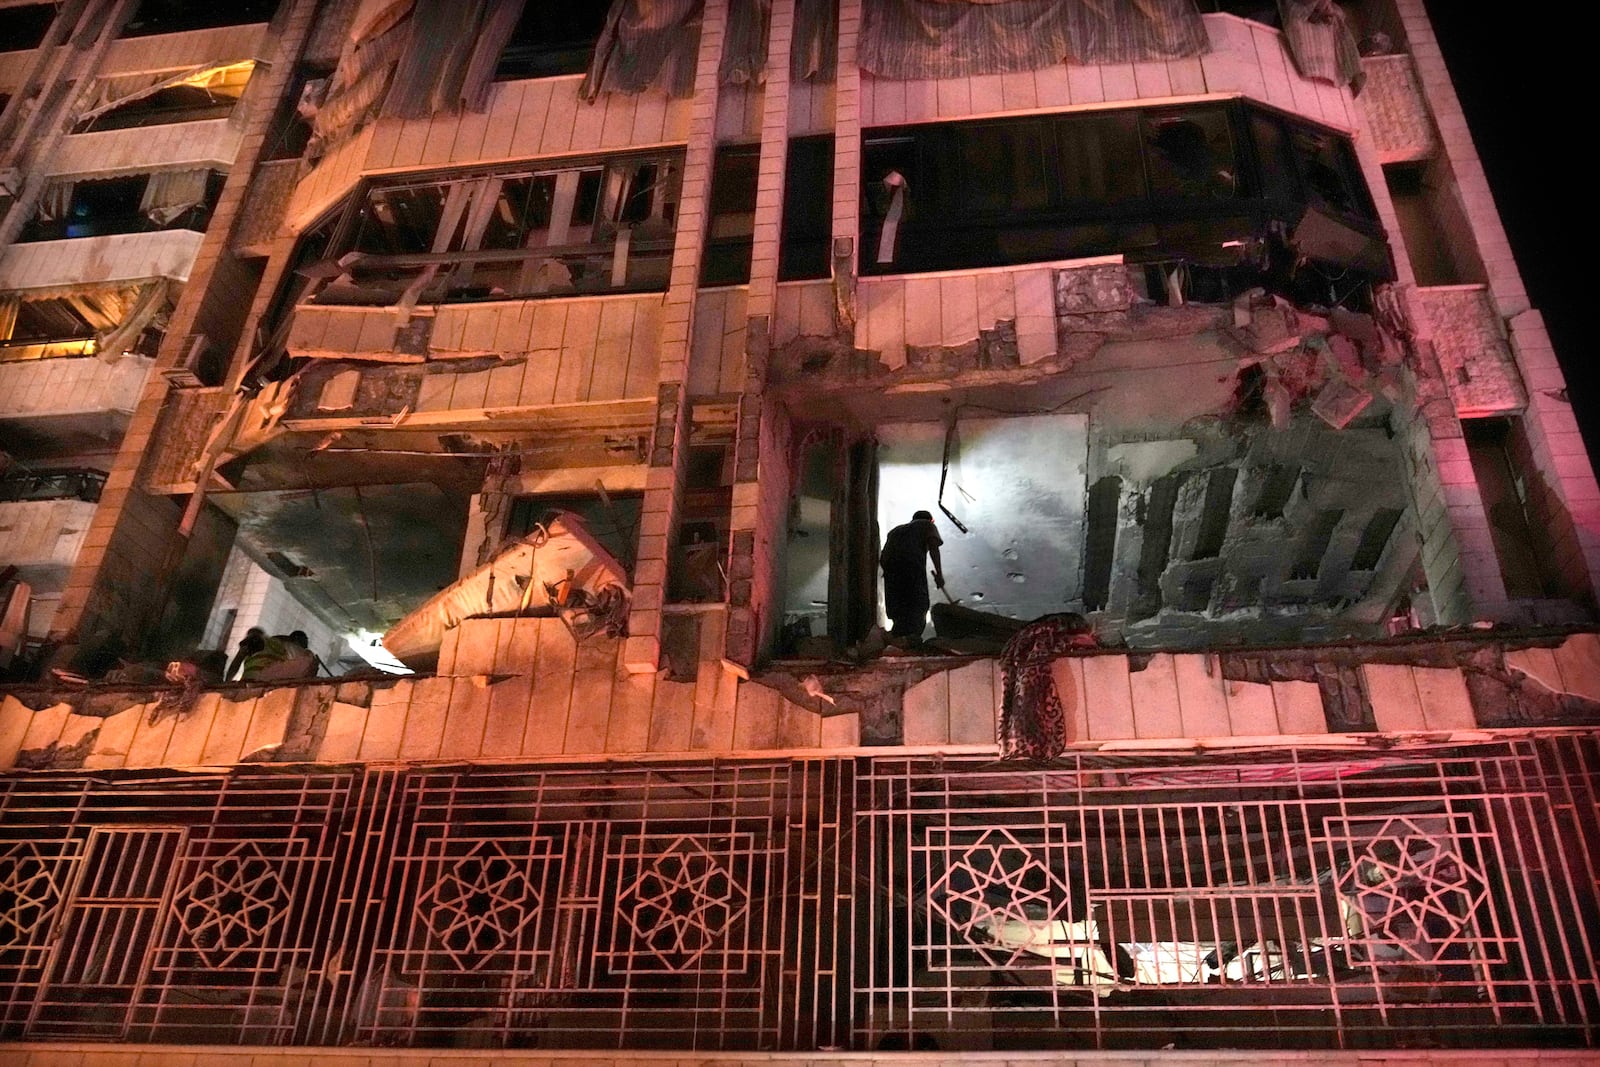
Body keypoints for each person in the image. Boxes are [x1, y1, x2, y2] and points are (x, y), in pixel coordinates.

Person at [880, 510, 945, 643]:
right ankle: (910, 642)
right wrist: (939, 574)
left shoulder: (895, 531)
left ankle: (897, 641)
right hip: (912, 570)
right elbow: (933, 547)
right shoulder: (927, 525)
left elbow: (883, 557)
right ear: (931, 520)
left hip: (891, 573)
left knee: (899, 612)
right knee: (918, 607)